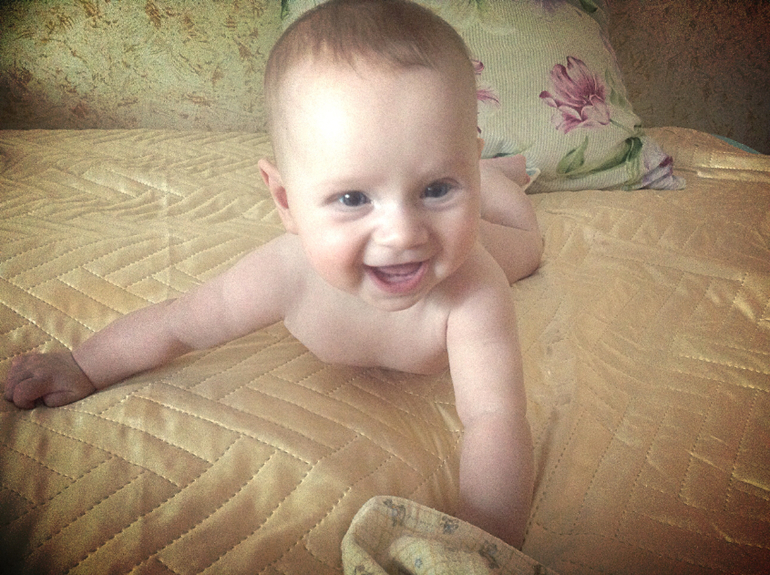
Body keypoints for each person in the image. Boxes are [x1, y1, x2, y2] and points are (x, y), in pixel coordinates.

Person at [4, 0, 542, 549]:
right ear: (286, 201)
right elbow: (178, 323)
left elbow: (494, 418)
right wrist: (83, 365)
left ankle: (498, 180)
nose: (403, 234)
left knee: (530, 247)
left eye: (438, 187)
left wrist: (486, 544)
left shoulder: (474, 289)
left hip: (485, 239)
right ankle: (478, 176)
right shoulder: (284, 274)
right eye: (353, 198)